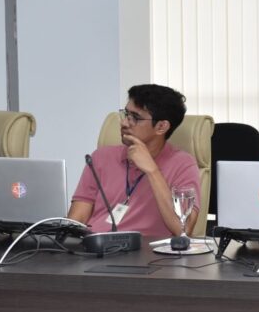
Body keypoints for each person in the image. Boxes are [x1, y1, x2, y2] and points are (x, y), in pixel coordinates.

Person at [68, 85, 201, 240]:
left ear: (161, 127)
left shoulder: (183, 165)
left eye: (135, 118)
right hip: (94, 246)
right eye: (126, 114)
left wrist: (152, 170)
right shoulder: (100, 157)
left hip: (142, 251)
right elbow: (76, 221)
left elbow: (183, 230)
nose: (124, 123)